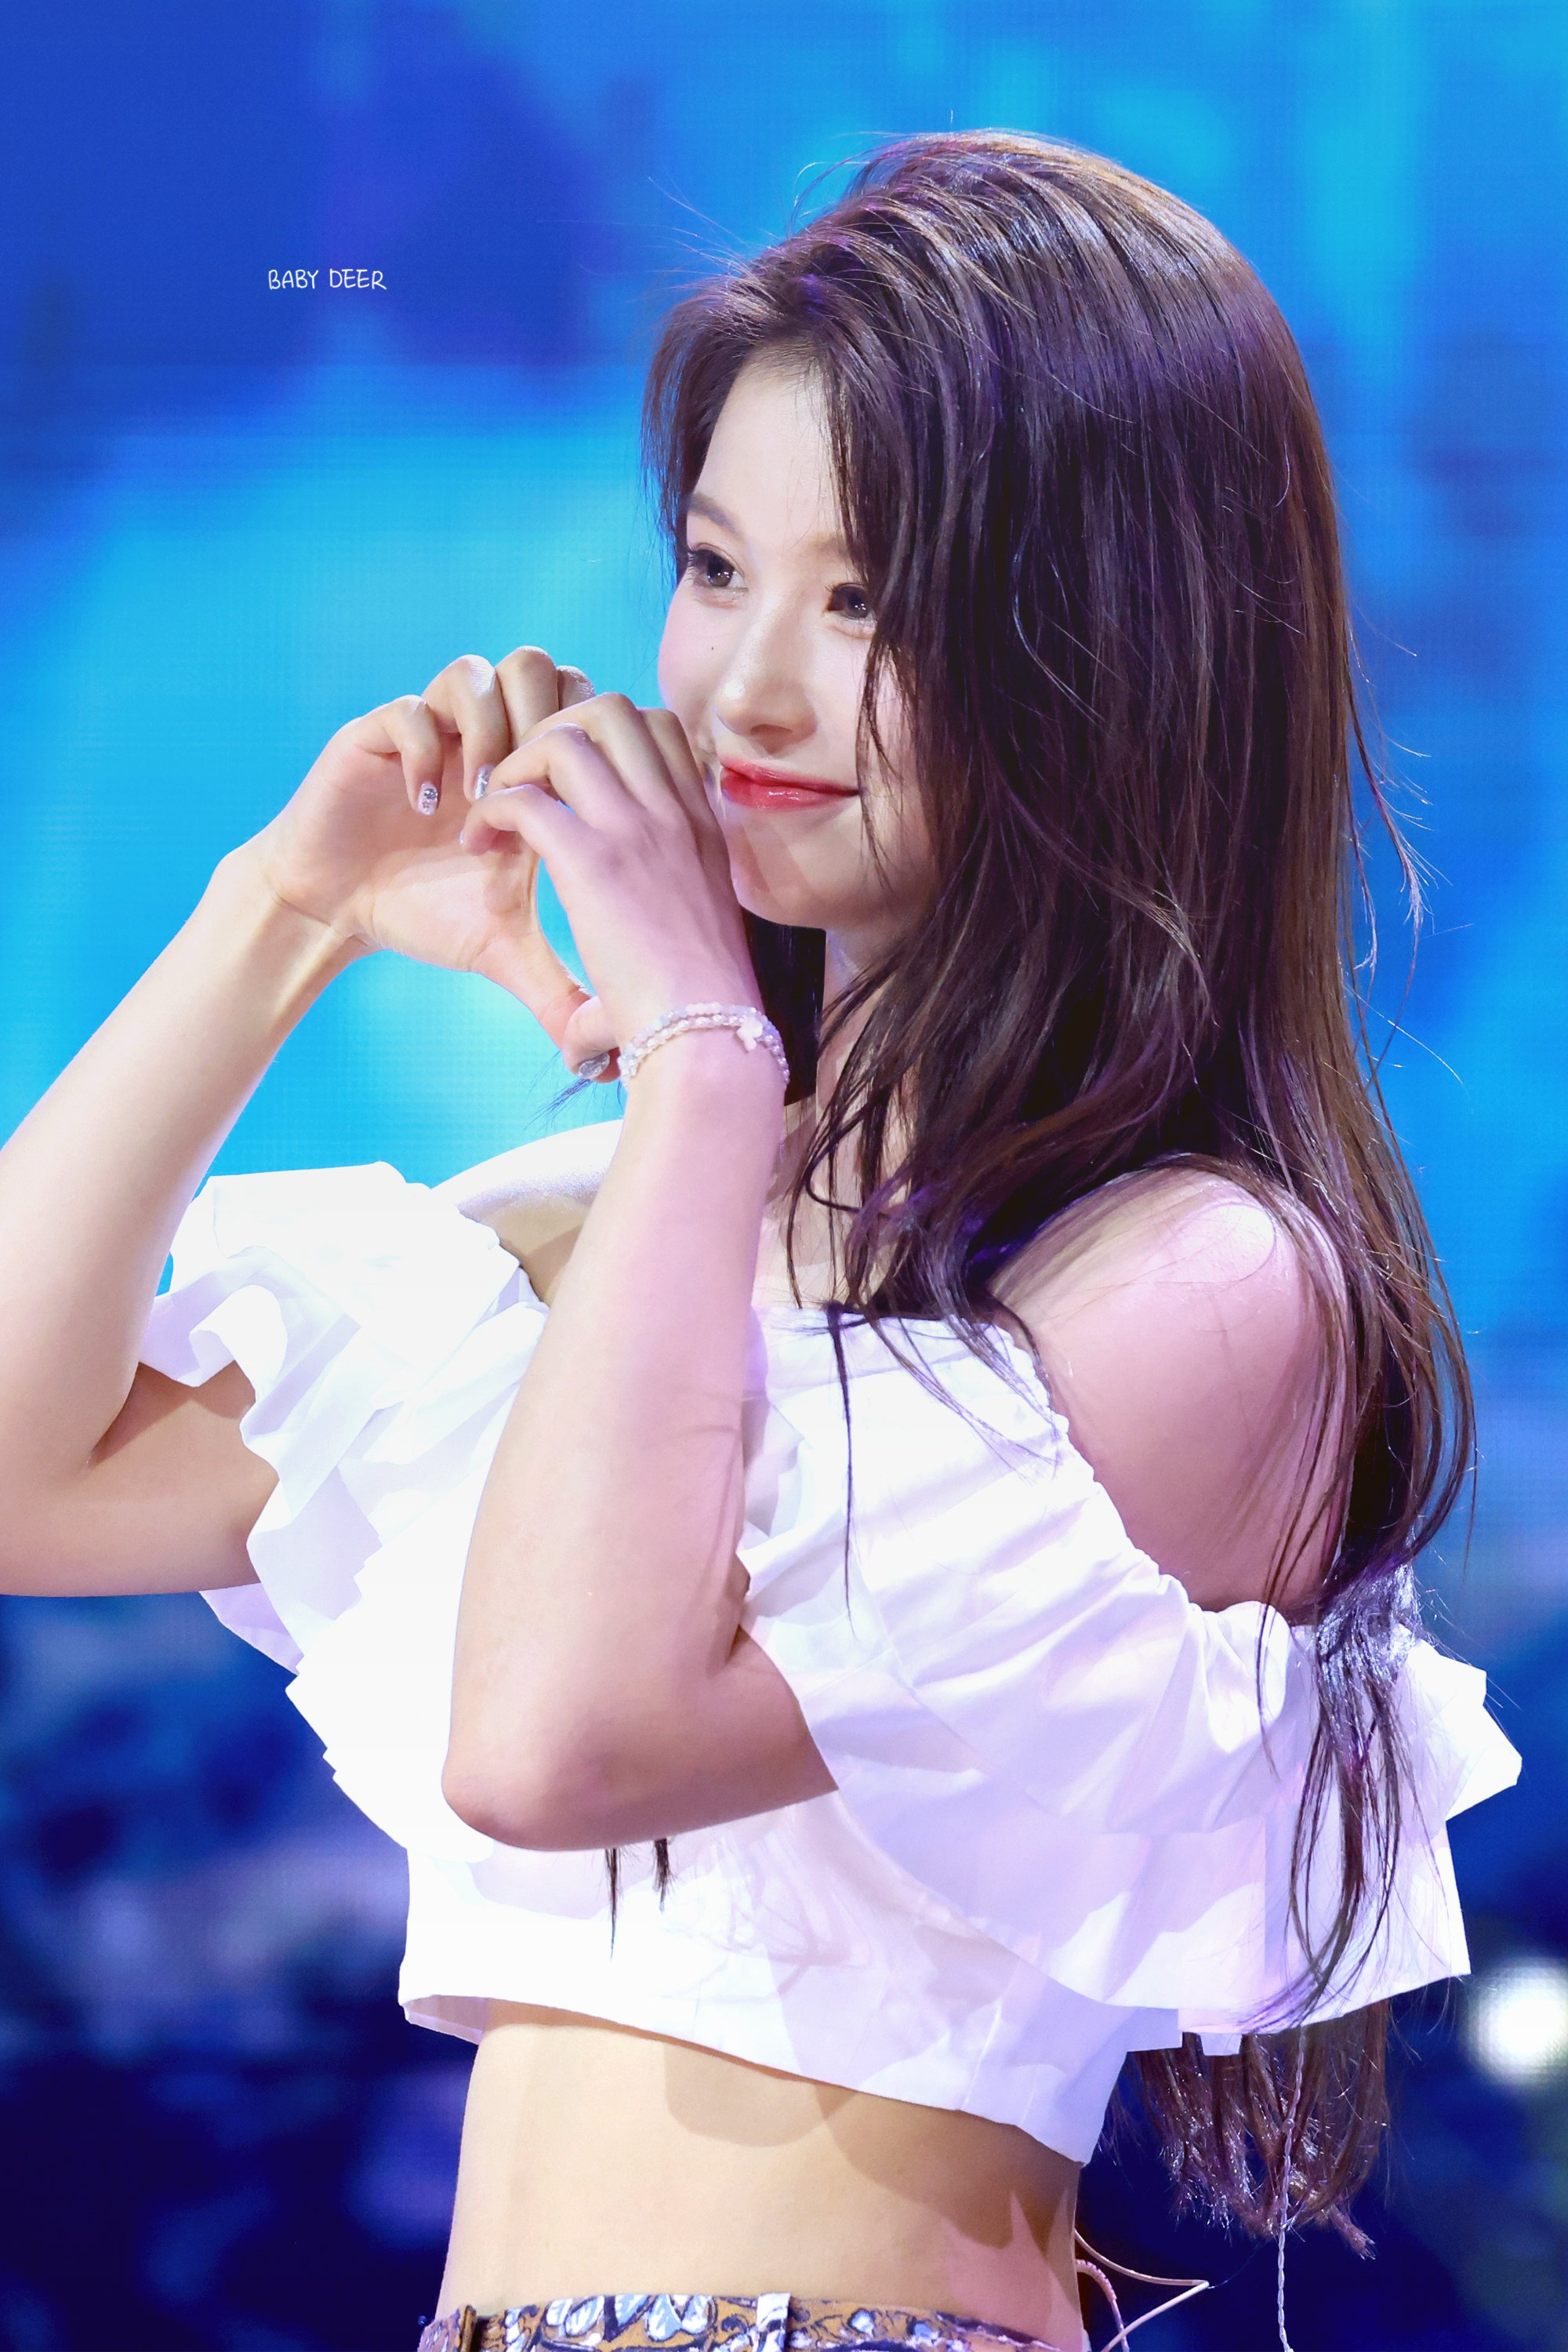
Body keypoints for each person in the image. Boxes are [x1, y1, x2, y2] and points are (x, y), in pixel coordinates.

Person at [0, 132, 1519, 2352]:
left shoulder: (1204, 1279)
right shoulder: (603, 1233)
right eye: (718, 569)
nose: (746, 695)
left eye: (870, 602)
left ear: (1120, 648)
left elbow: (561, 1742)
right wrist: (284, 917)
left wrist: (703, 1056)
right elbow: (22, 1477)